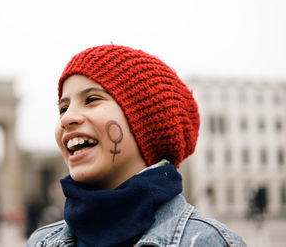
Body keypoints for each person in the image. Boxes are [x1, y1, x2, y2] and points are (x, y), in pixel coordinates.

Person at [26, 45, 246, 247]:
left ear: (150, 122)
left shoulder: (209, 242)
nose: (66, 118)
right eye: (63, 108)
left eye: (91, 99)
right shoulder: (40, 242)